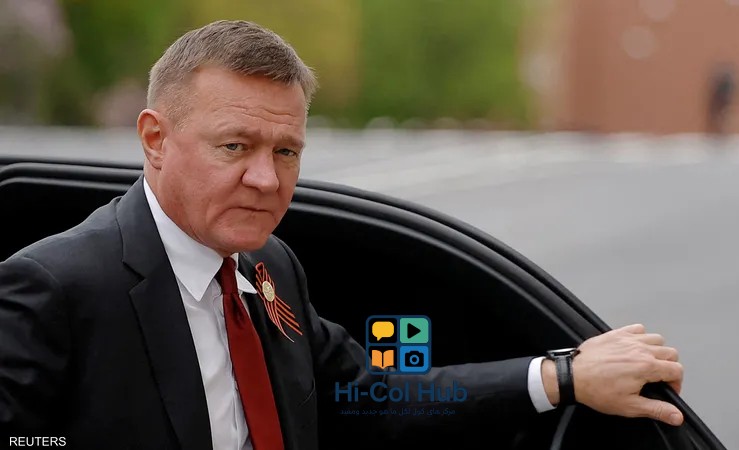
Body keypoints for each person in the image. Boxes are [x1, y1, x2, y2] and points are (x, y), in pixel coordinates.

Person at [0, 20, 684, 449]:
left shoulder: (269, 267)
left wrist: (561, 376)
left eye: (286, 152)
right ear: (155, 139)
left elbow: (369, 395)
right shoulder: (55, 287)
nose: (266, 179)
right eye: (235, 146)